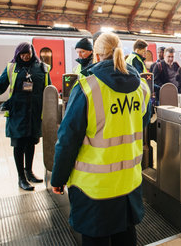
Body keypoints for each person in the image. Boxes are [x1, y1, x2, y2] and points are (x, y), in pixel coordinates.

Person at [50, 32, 151, 246]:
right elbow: (141, 124)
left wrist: (58, 178)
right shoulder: (142, 88)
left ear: (96, 56)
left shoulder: (87, 88)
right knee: (126, 237)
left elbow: (68, 140)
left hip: (94, 189)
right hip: (128, 184)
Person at [0, 42, 51, 191]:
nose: (25, 56)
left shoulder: (42, 68)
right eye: (22, 54)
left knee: (31, 143)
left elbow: (49, 89)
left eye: (28, 54)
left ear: (33, 53)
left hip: (35, 113)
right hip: (17, 112)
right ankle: (21, 178)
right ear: (17, 54)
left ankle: (29, 172)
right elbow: (0, 87)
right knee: (19, 145)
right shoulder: (12, 68)